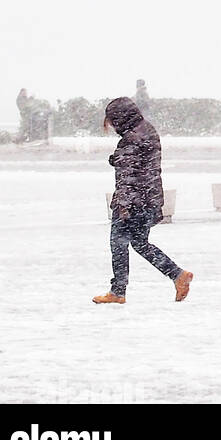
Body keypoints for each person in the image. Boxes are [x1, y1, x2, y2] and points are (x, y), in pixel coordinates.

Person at [93, 97, 192, 305]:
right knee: (139, 243)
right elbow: (142, 168)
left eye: (112, 121)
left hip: (133, 202)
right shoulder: (146, 131)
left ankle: (118, 291)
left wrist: (124, 207)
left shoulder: (131, 139)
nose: (111, 127)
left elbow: (129, 177)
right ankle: (177, 275)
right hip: (148, 199)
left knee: (118, 242)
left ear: (121, 118)